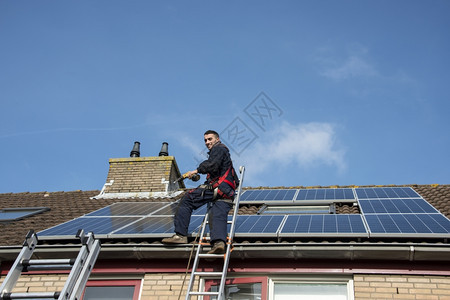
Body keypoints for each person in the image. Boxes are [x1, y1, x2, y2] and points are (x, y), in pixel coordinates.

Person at [162, 130, 239, 254]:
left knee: (187, 199)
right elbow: (234, 179)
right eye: (205, 140)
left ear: (217, 139)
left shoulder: (218, 149)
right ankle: (219, 243)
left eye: (210, 139)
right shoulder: (226, 155)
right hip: (228, 193)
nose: (207, 142)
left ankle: (180, 236)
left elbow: (212, 165)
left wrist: (197, 170)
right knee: (217, 213)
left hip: (218, 188)